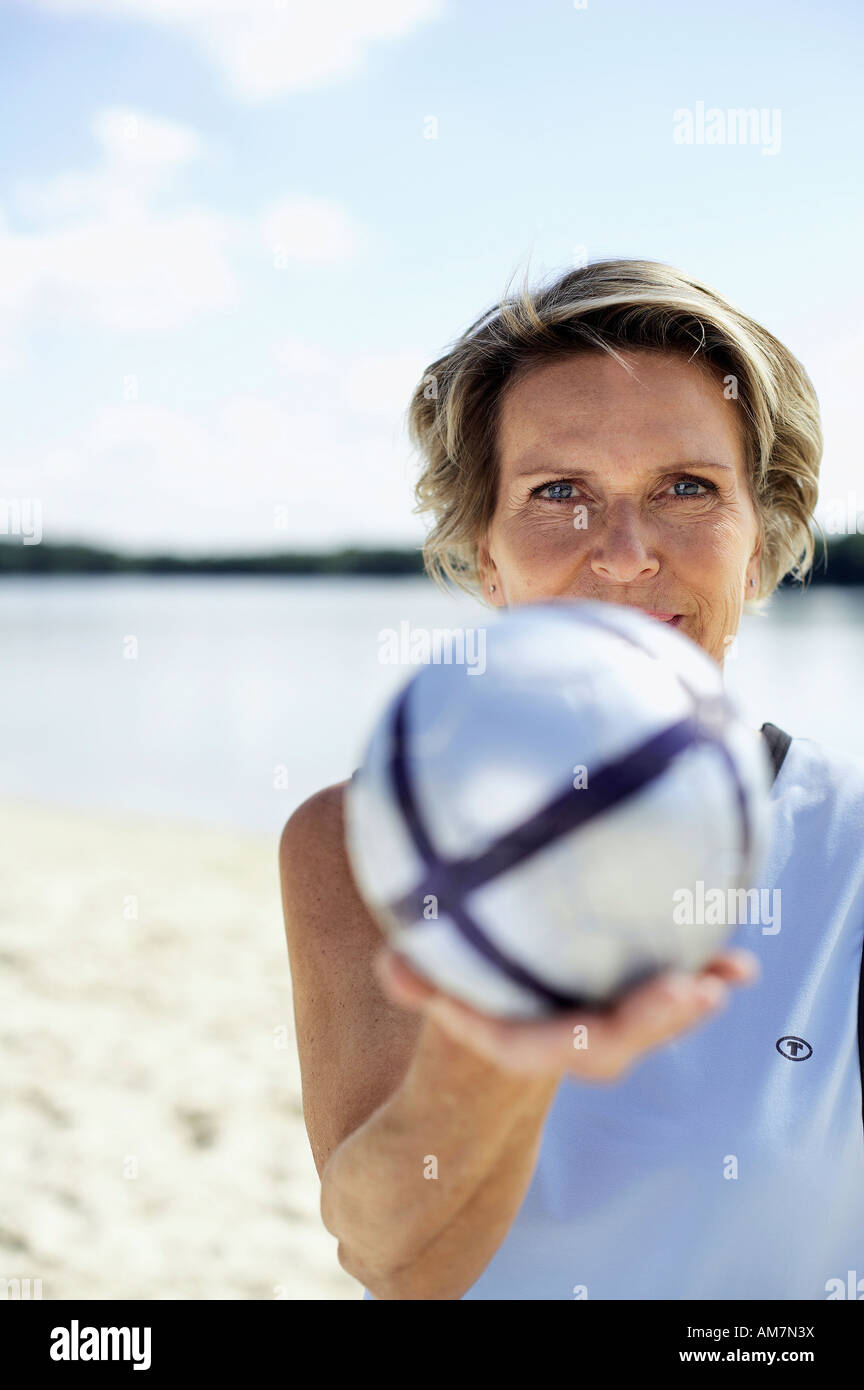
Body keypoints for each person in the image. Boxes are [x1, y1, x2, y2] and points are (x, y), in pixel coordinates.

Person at [279, 259, 864, 1300]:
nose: (628, 554)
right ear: (485, 551)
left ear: (760, 543)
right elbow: (394, 1260)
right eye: (560, 493)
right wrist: (495, 1040)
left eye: (687, 488)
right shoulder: (356, 840)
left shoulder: (849, 845)